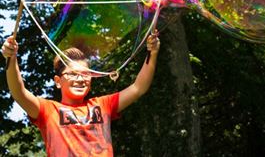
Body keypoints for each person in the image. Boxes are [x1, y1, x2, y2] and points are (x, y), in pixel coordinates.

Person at [1, 31, 160, 156]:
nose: (80, 79)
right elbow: (19, 92)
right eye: (72, 74)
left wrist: (152, 53)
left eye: (85, 74)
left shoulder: (102, 105)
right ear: (58, 81)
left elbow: (139, 87)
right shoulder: (48, 110)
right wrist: (12, 58)